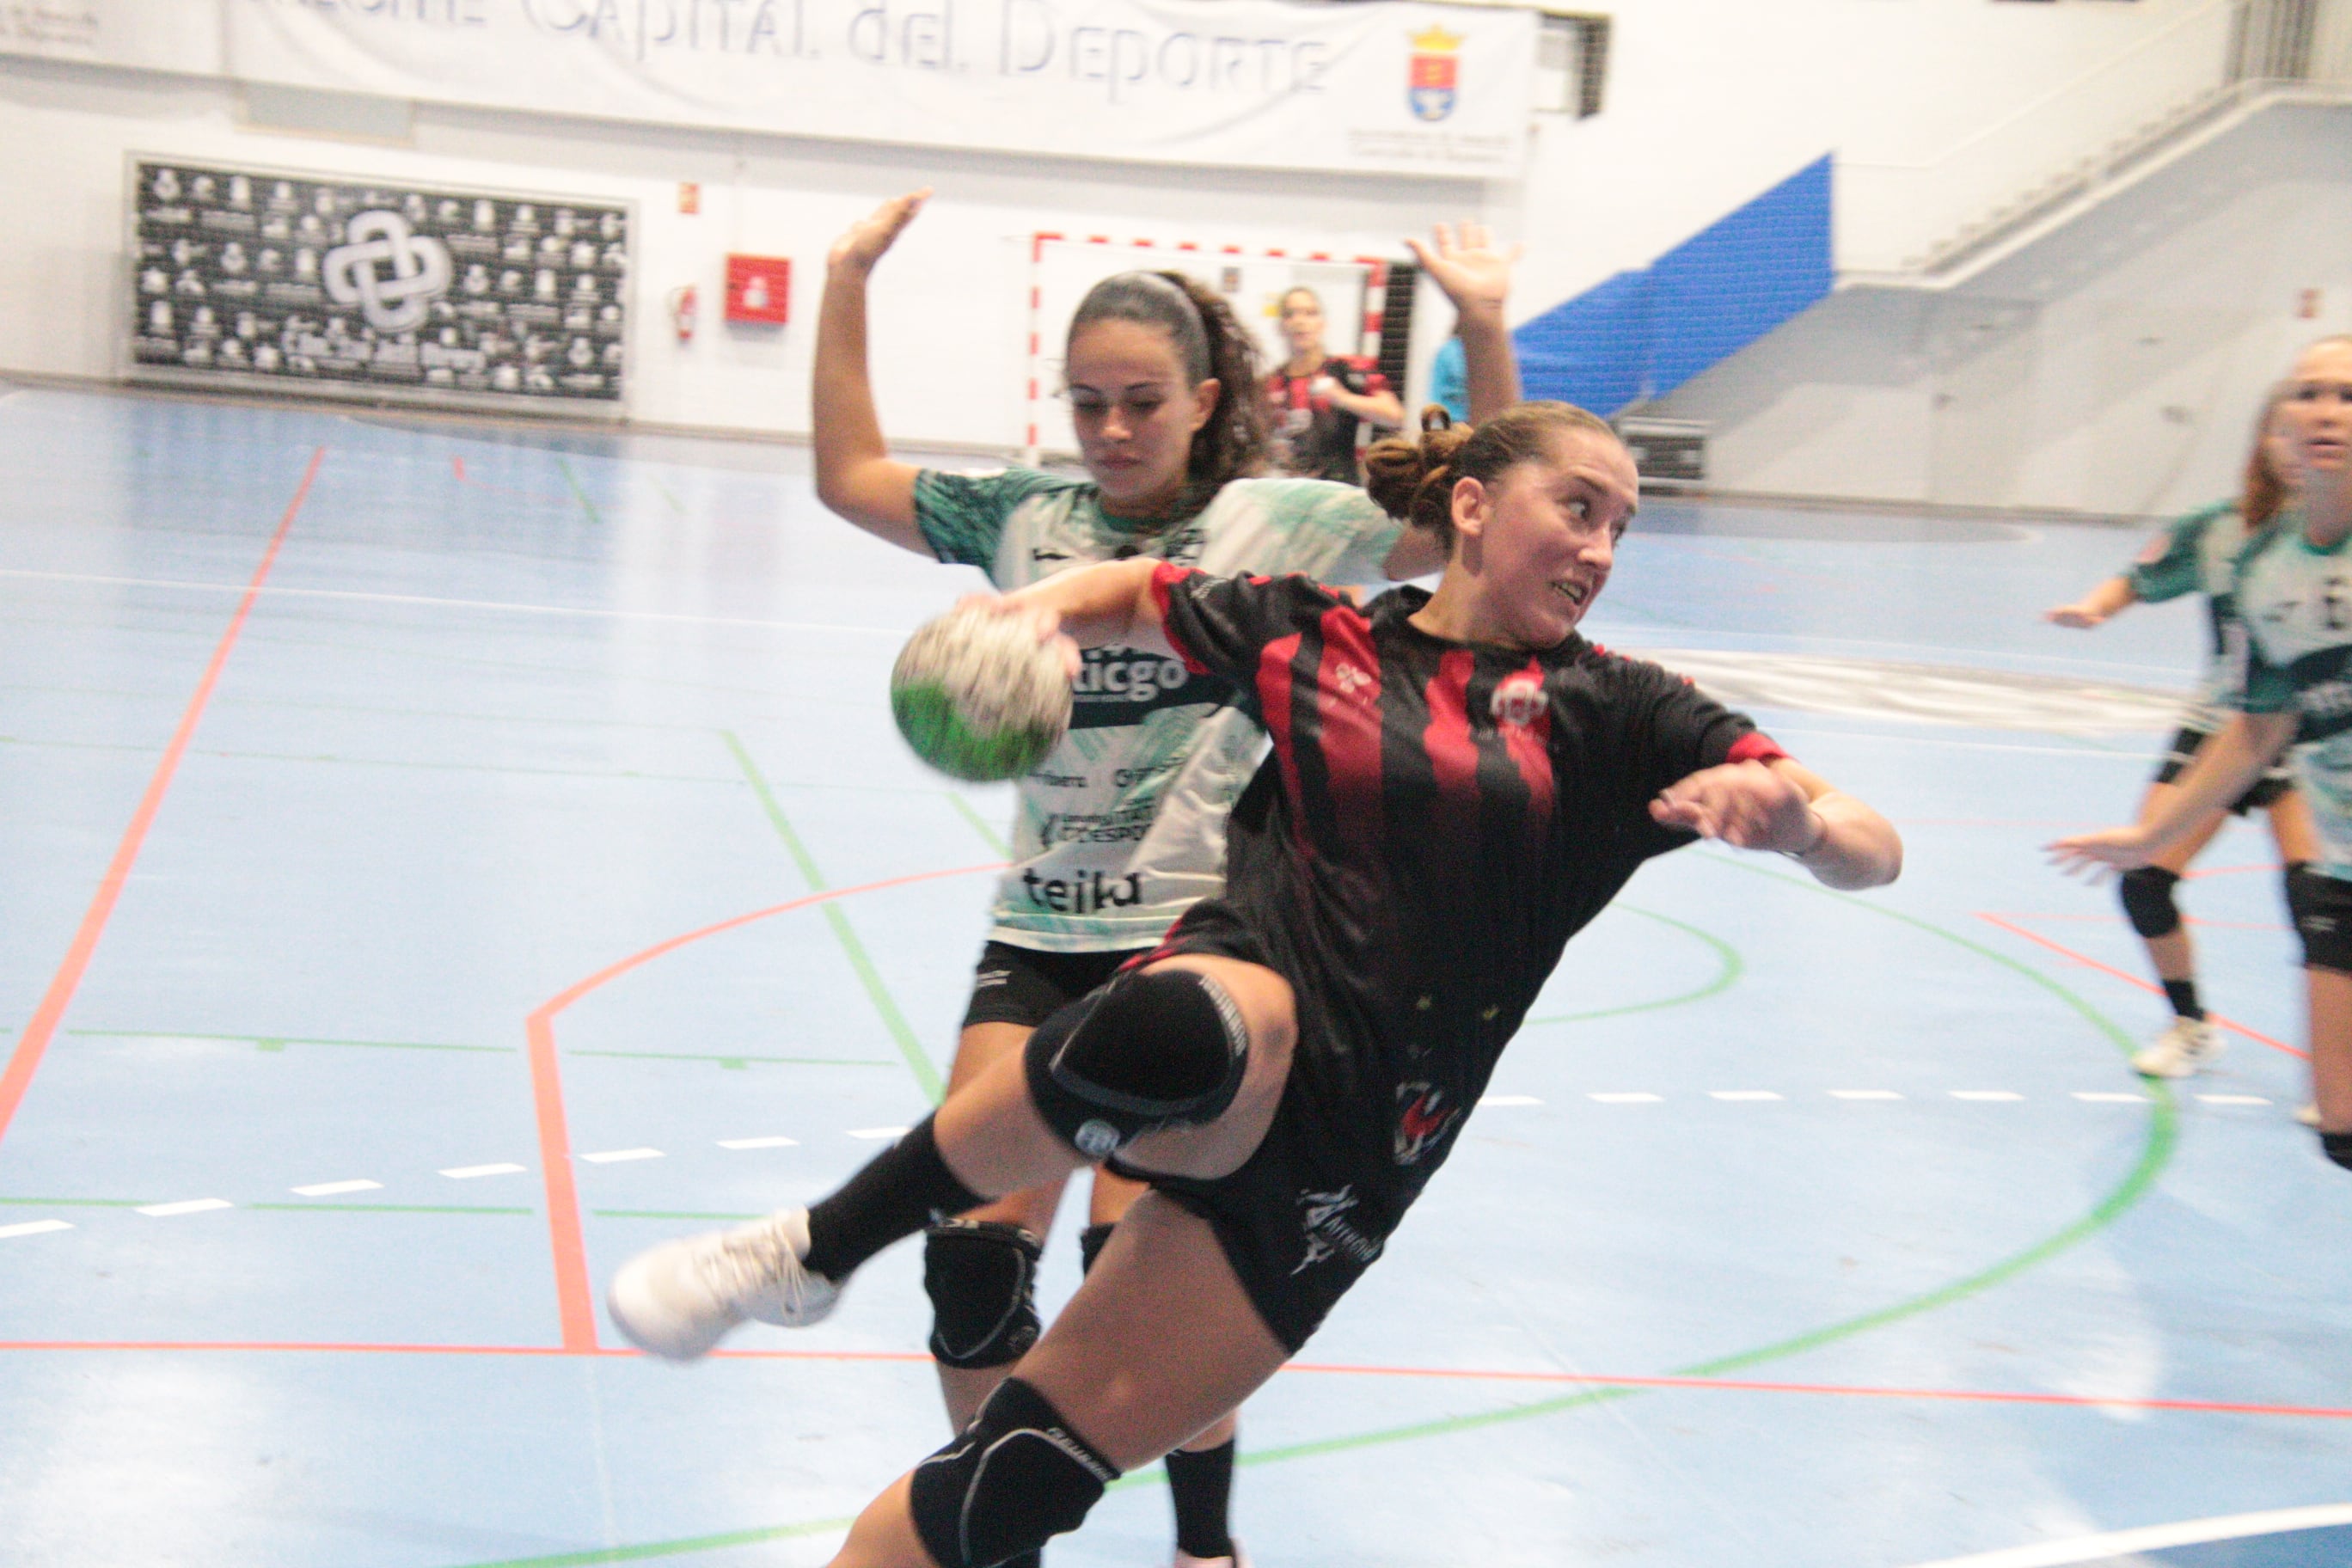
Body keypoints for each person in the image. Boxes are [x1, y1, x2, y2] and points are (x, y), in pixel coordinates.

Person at [609, 400, 1904, 1568]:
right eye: (1578, 508)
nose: (1601, 549)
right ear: (1470, 506)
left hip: (1355, 1160)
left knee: (1008, 1490)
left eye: (1621, 526)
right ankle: (810, 1249)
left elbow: (1872, 846)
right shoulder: (1316, 634)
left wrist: (1792, 822)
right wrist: (1038, 614)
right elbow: (1142, 589)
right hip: (1243, 1022)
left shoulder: (1618, 711)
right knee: (1193, 1024)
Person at [738, 189, 1524, 1568]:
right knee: (973, 1262)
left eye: (1141, 403)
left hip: (1206, 943)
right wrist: (848, 277)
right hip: (1042, 927)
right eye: (1087, 401)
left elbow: (1476, 527)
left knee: (1139, 1277)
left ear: (1206, 395)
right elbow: (846, 475)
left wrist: (1486, 327)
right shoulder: (1023, 516)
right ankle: (988, 1534)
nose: (1110, 430)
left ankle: (1203, 1546)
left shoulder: (1285, 521)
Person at [2053, 335, 2352, 1172]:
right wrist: (2145, 839)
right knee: (2342, 1132)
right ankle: (2190, 1022)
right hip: (2292, 791)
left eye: (2347, 397)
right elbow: (2261, 724)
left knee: (2300, 889)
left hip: (2307, 797)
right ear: (2274, 429)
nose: (2326, 414)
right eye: (2310, 395)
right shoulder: (2251, 558)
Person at [1264, 285, 1406, 482]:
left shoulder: (1346, 369)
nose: (1300, 321)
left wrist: (1341, 398)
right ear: (1280, 327)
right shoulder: (1271, 384)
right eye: (1290, 314)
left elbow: (1395, 415)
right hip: (1287, 492)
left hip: (1337, 492)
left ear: (1322, 324)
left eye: (1310, 313)